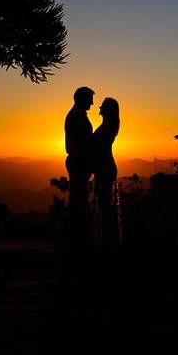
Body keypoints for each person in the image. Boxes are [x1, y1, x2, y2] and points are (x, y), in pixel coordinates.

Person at [64, 86, 95, 245]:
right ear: (82, 99)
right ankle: (77, 236)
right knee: (79, 198)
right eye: (90, 99)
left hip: (78, 160)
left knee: (79, 197)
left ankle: (76, 234)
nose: (92, 102)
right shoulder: (77, 116)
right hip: (78, 161)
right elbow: (83, 143)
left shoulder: (77, 114)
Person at [92, 97, 120, 246]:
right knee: (103, 203)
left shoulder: (107, 128)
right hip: (104, 166)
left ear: (107, 110)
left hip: (105, 167)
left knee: (104, 204)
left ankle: (107, 239)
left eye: (102, 106)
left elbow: (99, 148)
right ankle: (106, 237)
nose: (99, 108)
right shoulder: (107, 126)